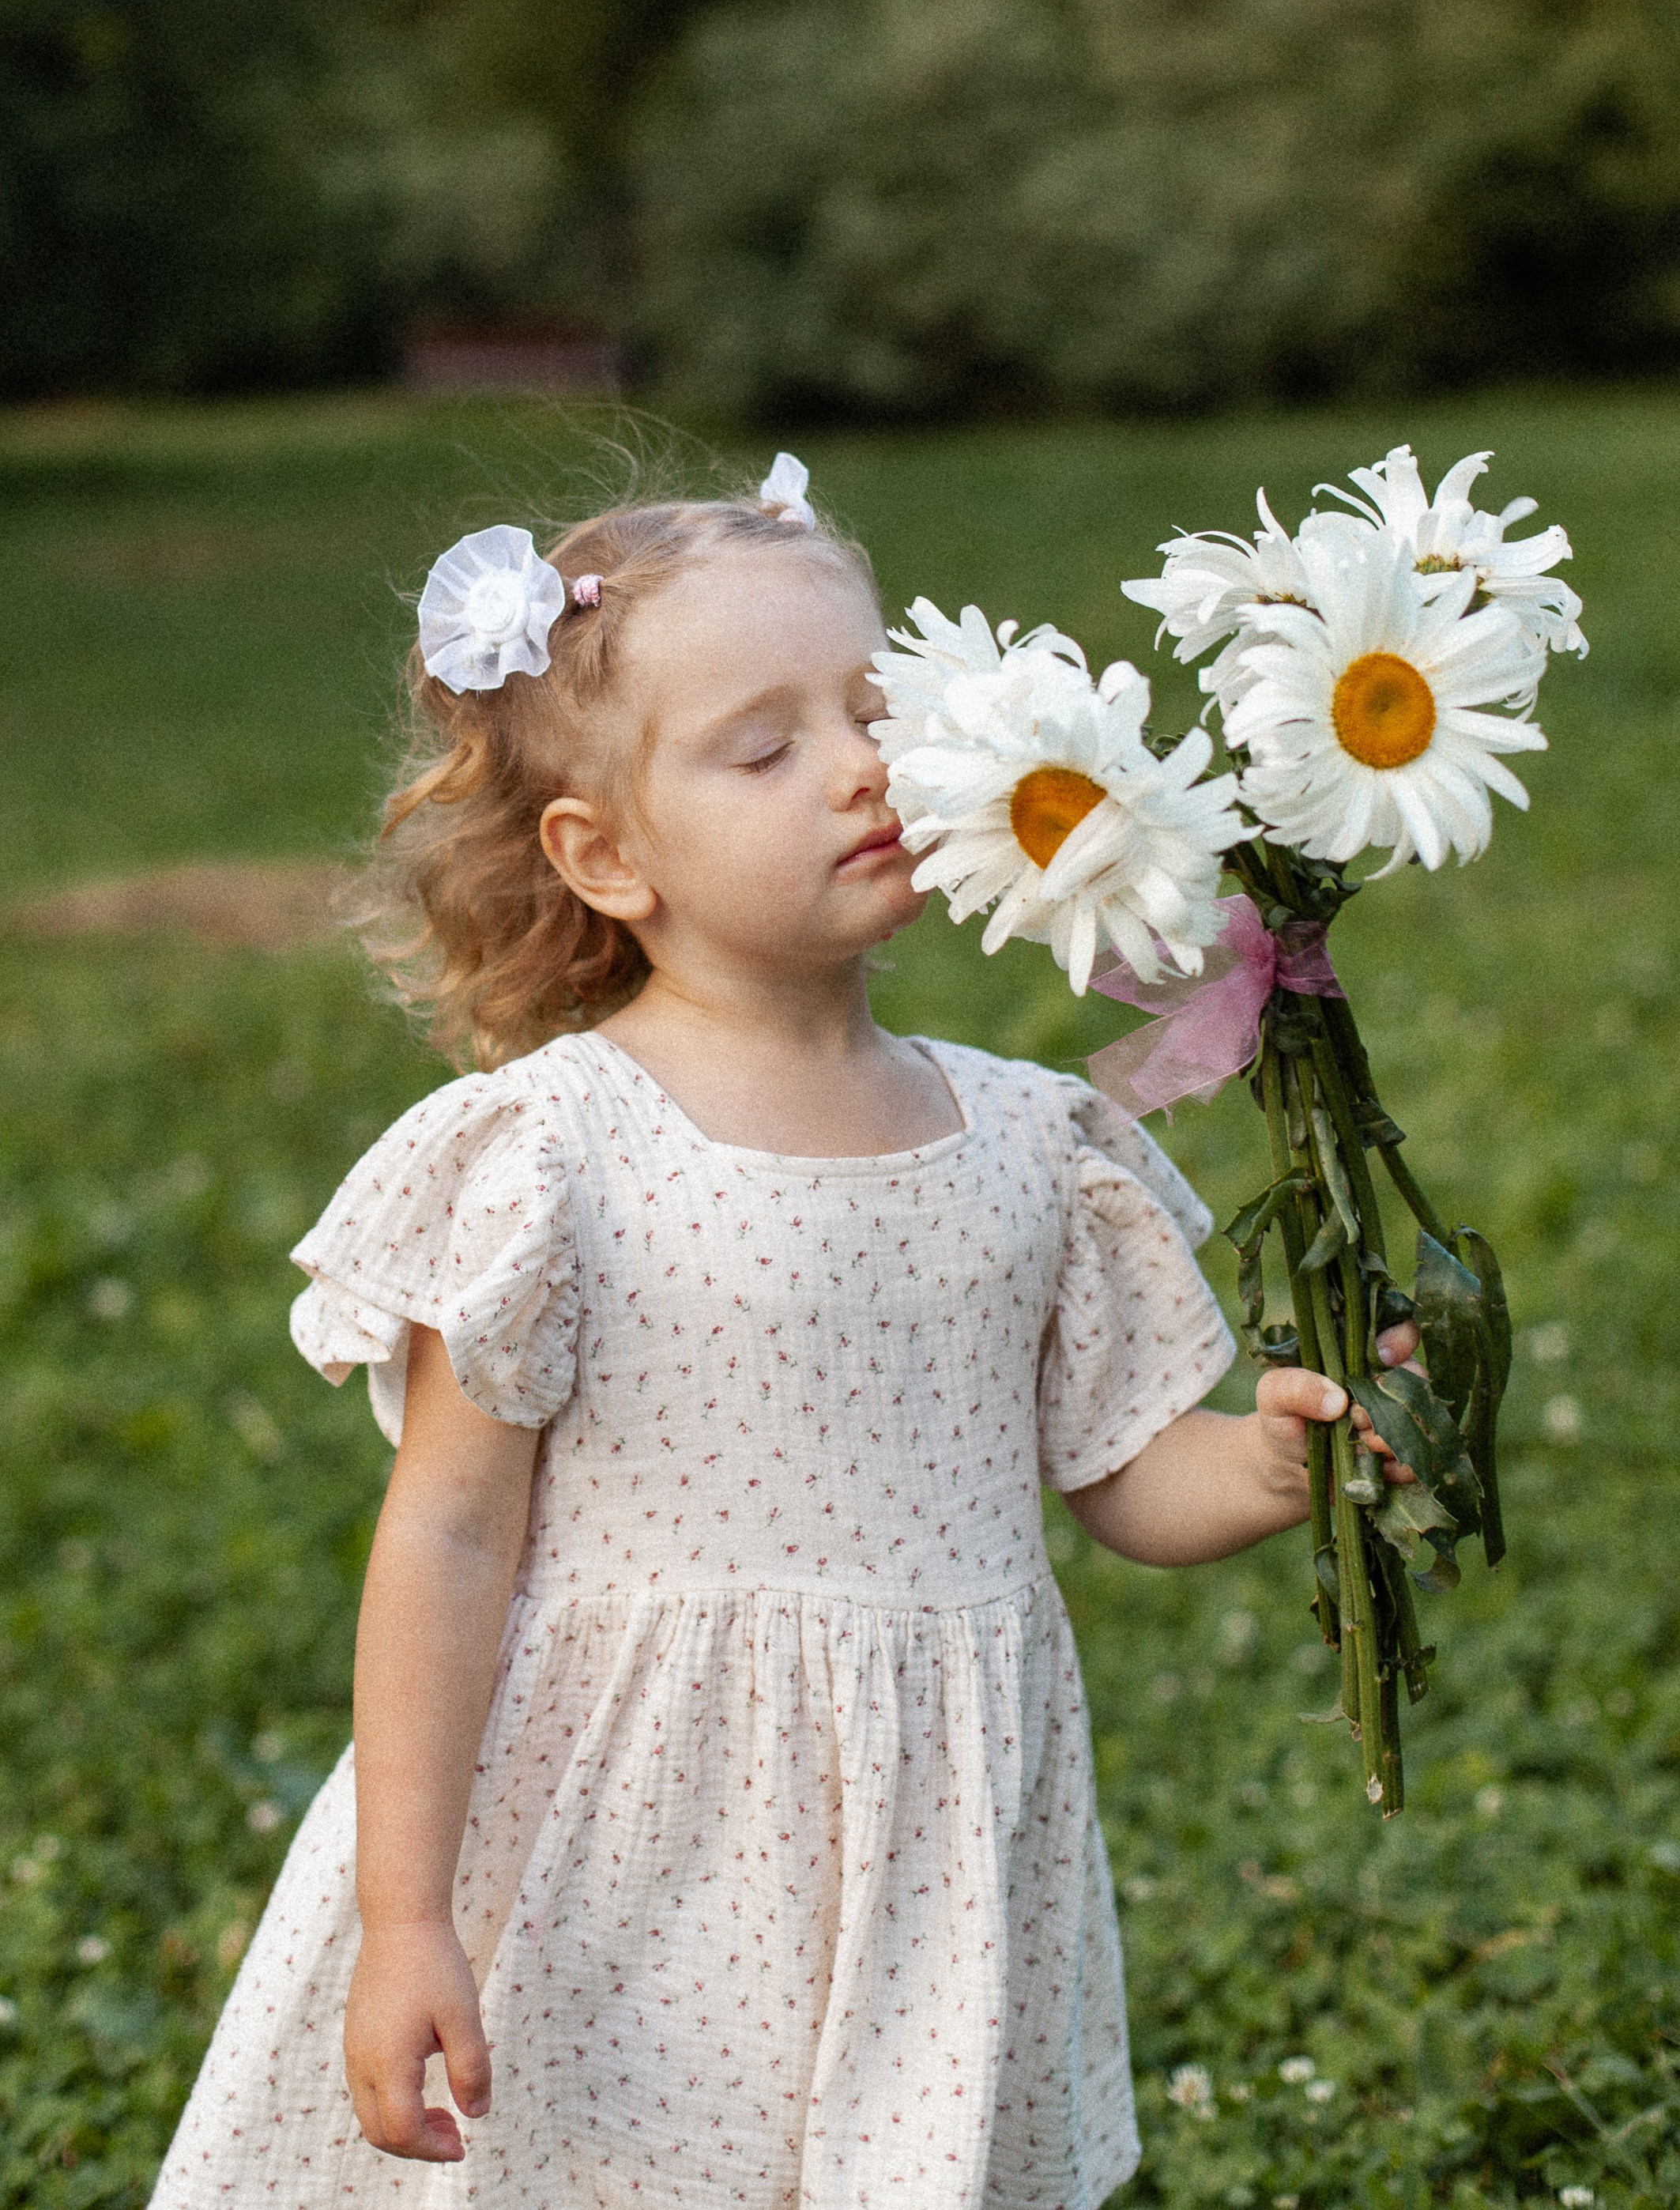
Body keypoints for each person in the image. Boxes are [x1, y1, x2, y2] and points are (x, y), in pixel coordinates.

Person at [151, 462, 1418, 2209]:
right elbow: (445, 1529)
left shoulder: (1027, 1138)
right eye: (761, 749)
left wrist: (1273, 1454)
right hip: (624, 1841)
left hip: (930, 1851)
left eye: (875, 710)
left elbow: (1124, 1471)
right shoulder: (552, 1151)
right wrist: (406, 1912)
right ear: (604, 856)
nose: (857, 766)